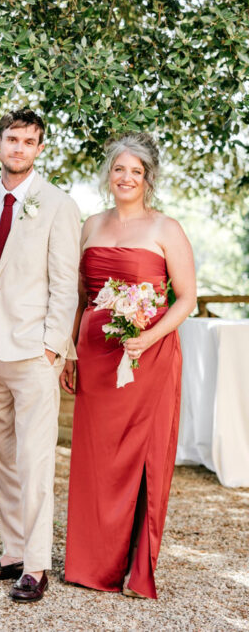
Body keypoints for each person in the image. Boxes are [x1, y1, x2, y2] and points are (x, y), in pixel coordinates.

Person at [61, 133, 195, 599]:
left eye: (136, 171)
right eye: (119, 169)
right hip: (96, 355)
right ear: (109, 174)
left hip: (148, 357)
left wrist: (148, 337)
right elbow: (80, 296)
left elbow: (187, 300)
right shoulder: (91, 225)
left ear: (148, 178)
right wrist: (70, 349)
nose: (126, 177)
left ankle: (136, 568)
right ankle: (89, 565)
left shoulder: (166, 228)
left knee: (139, 458)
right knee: (96, 461)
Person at [0, 108, 81, 602]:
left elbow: (65, 284)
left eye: (28, 142)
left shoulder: (58, 204)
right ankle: (12, 551)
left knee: (36, 462)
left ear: (39, 149)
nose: (18, 148)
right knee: (4, 460)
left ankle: (36, 565)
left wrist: (53, 346)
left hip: (35, 351)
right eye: (11, 139)